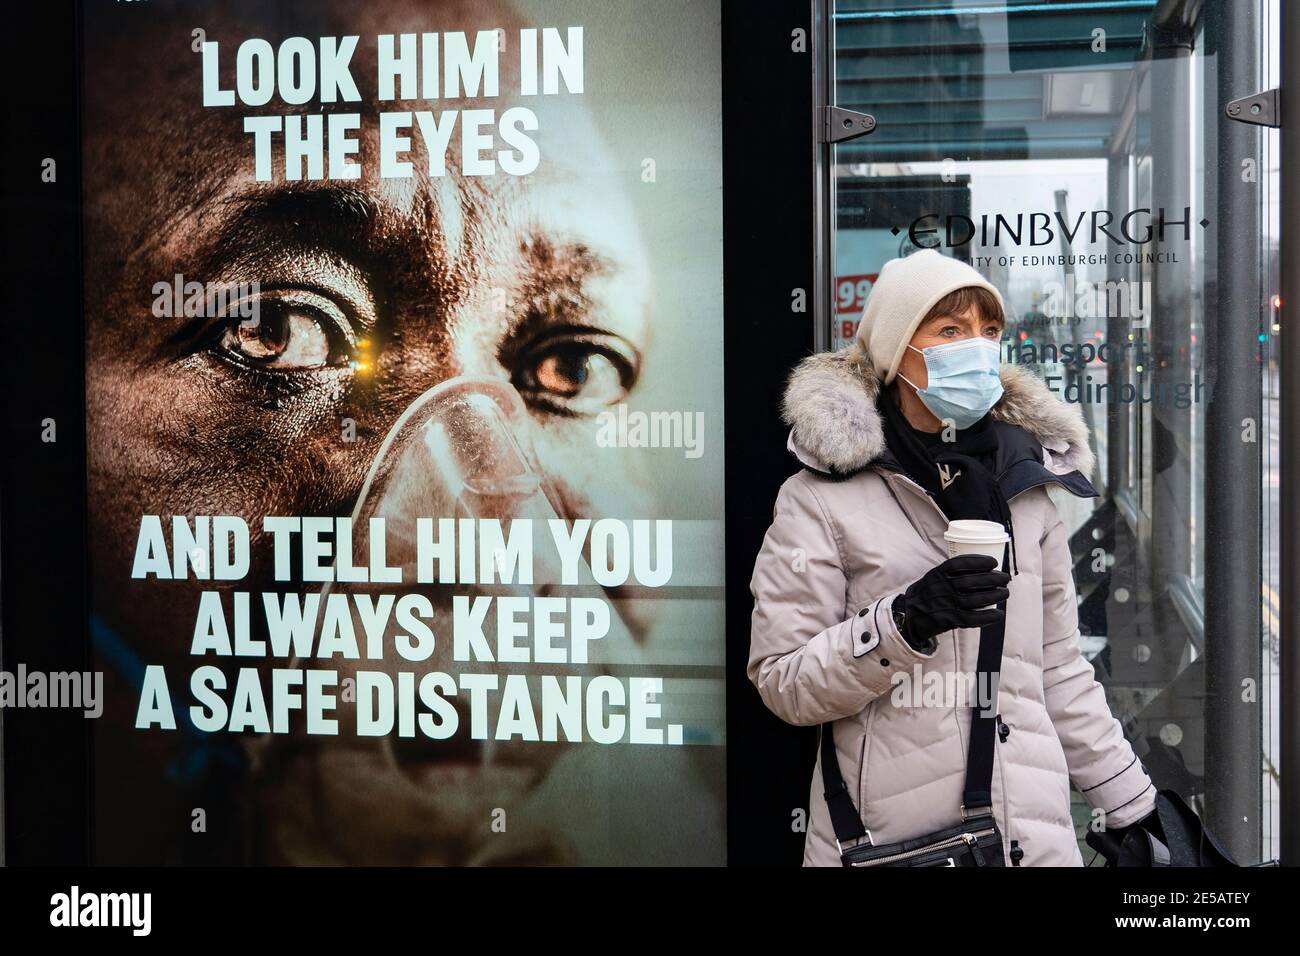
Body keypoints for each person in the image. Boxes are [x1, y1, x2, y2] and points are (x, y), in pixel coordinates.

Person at [748, 249, 1160, 866]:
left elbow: (1058, 670)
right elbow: (783, 682)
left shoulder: (1027, 487)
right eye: (949, 330)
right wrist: (905, 622)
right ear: (896, 352)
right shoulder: (818, 498)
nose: (977, 347)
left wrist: (1133, 806)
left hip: (1033, 840)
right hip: (893, 847)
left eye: (989, 331)